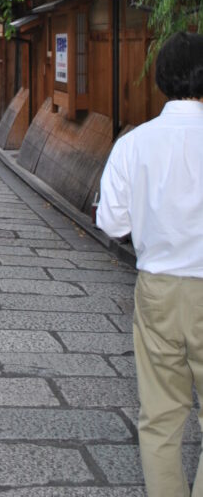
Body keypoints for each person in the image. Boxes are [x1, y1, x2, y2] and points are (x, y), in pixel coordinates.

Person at [96, 32, 203, 497]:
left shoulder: (133, 144)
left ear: (160, 80)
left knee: (160, 417)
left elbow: (112, 220)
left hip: (157, 286)